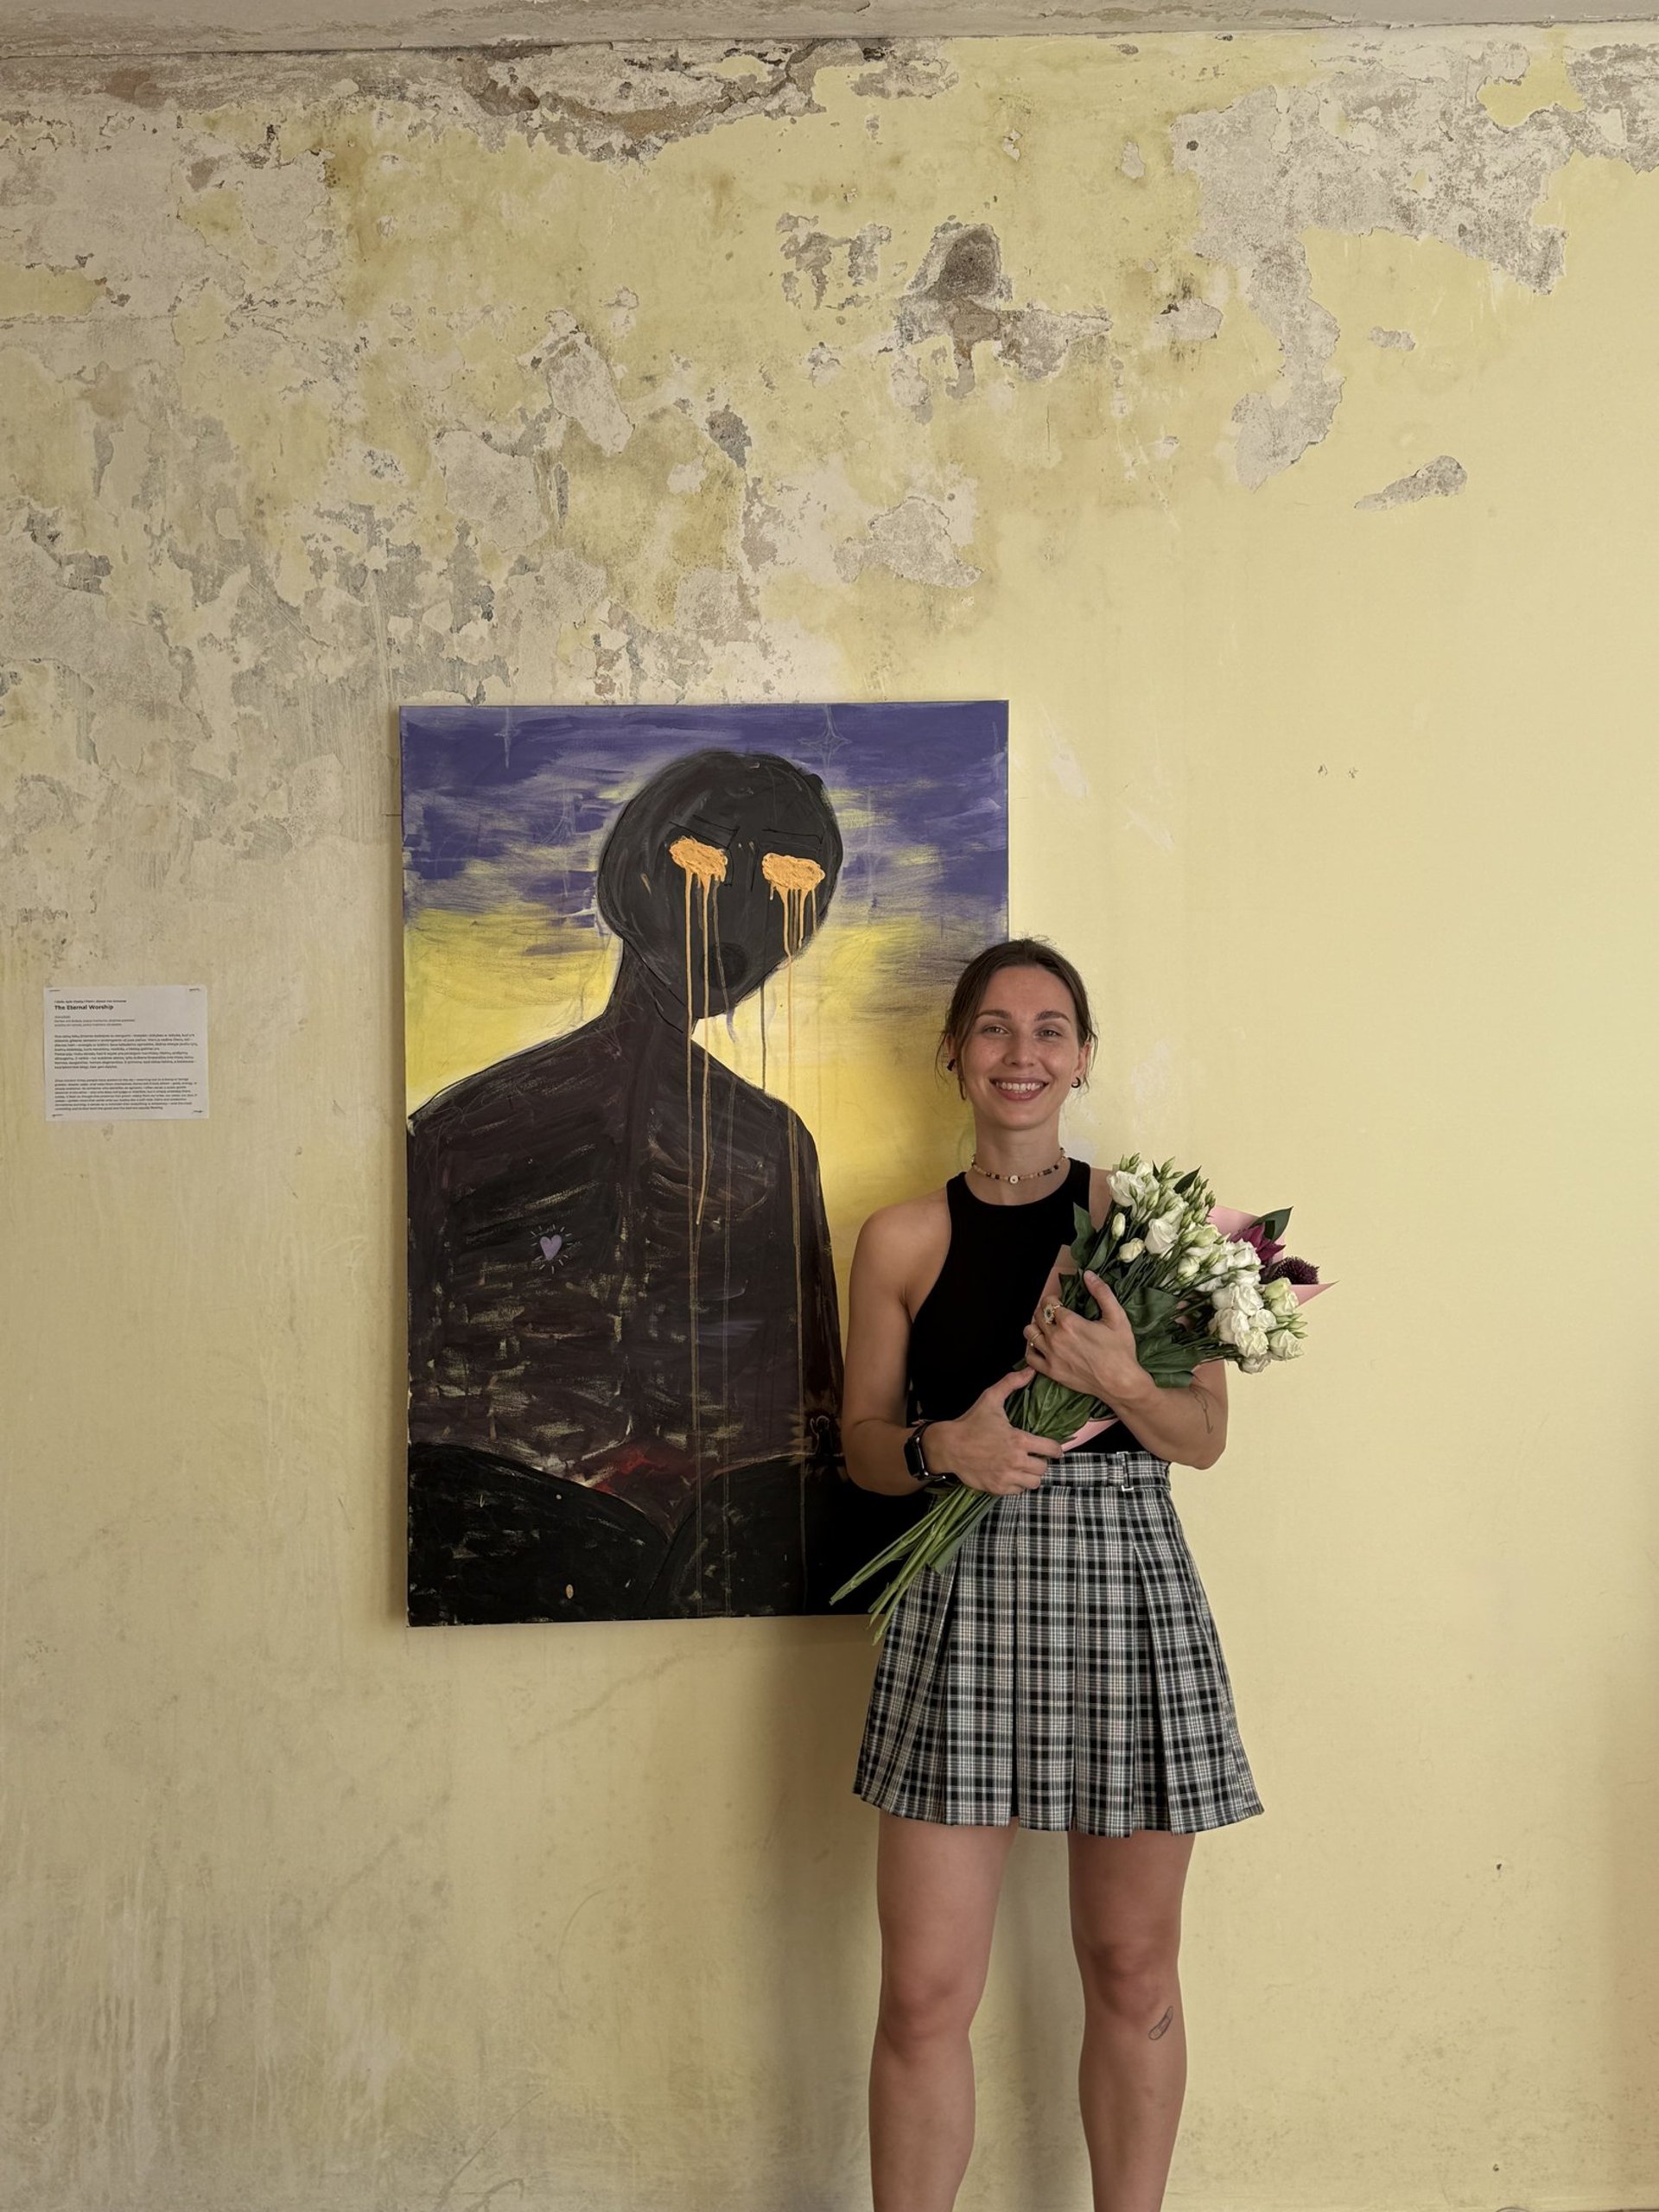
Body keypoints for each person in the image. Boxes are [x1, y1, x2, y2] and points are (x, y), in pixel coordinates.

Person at [841, 937, 1263, 2212]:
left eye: (1049, 1030)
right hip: (962, 1598)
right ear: (955, 1052)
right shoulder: (902, 1237)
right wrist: (944, 1448)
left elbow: (1203, 1440)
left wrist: (1123, 1380)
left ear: (1082, 1059)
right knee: (924, 1992)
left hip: (1126, 1591)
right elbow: (861, 1447)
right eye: (994, 1028)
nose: (1020, 1053)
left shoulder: (1151, 1232)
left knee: (1133, 1970)